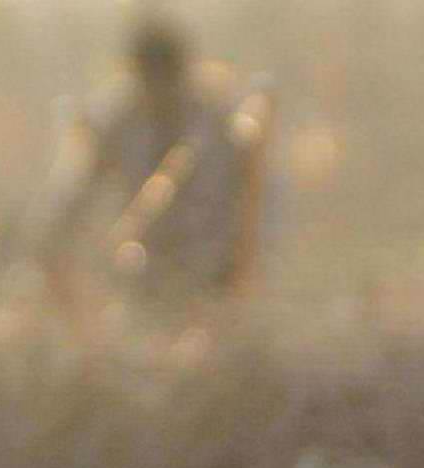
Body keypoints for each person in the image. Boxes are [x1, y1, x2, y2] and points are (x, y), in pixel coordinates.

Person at [35, 14, 271, 315]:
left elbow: (254, 204)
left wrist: (240, 275)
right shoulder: (115, 122)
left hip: (214, 281)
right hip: (138, 283)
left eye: (167, 81)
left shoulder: (217, 123)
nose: (160, 95)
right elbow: (62, 215)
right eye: (150, 82)